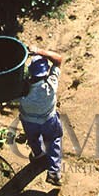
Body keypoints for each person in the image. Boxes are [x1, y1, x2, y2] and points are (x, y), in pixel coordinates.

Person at [18, 45, 66, 182]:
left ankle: (38, 155)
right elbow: (58, 60)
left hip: (28, 121)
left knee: (33, 138)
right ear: (45, 73)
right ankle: (54, 173)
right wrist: (39, 51)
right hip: (49, 120)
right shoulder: (51, 84)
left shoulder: (22, 89)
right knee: (54, 140)